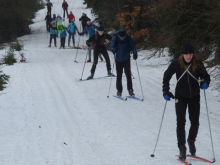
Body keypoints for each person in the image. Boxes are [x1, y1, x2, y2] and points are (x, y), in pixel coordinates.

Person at [162, 42, 210, 161]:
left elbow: (206, 76)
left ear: (193, 54)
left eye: (190, 54)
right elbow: (166, 76)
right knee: (181, 122)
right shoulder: (176, 63)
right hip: (180, 96)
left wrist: (205, 83)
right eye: (186, 54)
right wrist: (165, 91)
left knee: (195, 122)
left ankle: (191, 140)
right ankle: (182, 147)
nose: (188, 56)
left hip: (194, 96)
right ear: (182, 54)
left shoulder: (198, 63)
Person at [110, 29, 138, 97]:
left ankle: (130, 89)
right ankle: (119, 90)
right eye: (121, 37)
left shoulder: (128, 37)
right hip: (118, 59)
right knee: (119, 75)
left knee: (128, 74)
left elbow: (132, 46)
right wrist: (113, 49)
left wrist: (135, 53)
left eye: (123, 38)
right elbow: (111, 47)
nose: (122, 39)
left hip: (126, 58)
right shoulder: (115, 37)